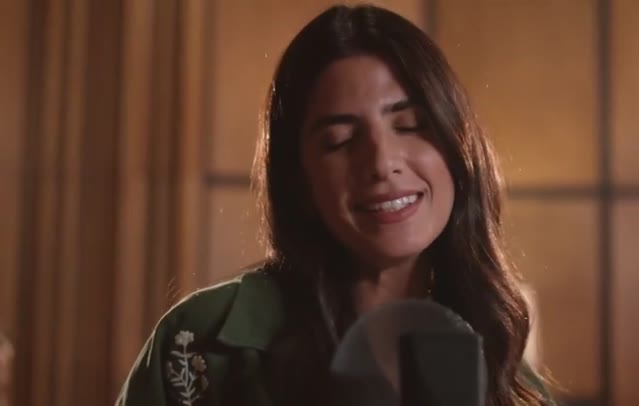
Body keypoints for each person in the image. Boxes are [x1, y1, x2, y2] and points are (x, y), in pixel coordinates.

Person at [117, 4, 555, 405]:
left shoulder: (511, 380)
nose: (381, 163)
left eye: (411, 125)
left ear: (459, 149)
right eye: (340, 141)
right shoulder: (199, 345)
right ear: (298, 176)